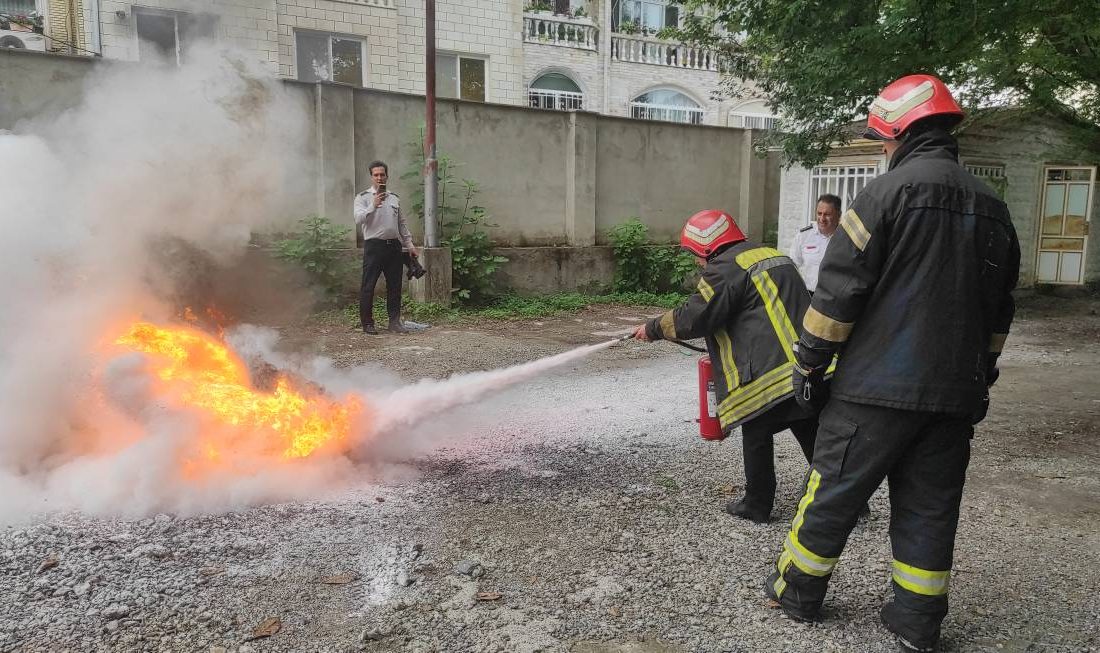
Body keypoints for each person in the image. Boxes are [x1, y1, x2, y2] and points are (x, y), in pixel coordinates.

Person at [762, 74, 1020, 652]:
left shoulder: (882, 196)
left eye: (881, 138)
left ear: (899, 132)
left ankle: (798, 592)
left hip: (873, 390)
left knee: (832, 491)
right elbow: (998, 313)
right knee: (931, 505)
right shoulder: (996, 210)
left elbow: (839, 294)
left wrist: (809, 364)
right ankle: (916, 622)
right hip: (953, 395)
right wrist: (982, 375)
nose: (882, 148)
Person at [632, 209, 822, 524]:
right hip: (804, 364)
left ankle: (757, 504)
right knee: (811, 429)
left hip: (770, 372)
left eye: (696, 255)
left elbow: (697, 315)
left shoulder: (725, 267)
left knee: (756, 430)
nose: (697, 262)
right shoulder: (772, 254)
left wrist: (653, 328)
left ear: (707, 248)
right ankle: (846, 501)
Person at [354, 160, 418, 334]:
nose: (379, 178)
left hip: (393, 247)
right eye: (376, 175)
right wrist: (372, 205)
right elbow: (358, 219)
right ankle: (368, 324)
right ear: (371, 177)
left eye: (382, 174)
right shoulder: (362, 197)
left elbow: (402, 224)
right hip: (374, 247)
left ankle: (394, 322)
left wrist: (410, 245)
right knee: (369, 286)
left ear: (387, 176)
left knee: (395, 286)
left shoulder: (394, 198)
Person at [788, 194, 840, 293]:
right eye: (819, 213)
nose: (822, 218)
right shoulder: (804, 236)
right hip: (809, 295)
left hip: (835, 298)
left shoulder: (846, 238)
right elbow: (792, 266)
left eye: (827, 214)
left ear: (838, 215)